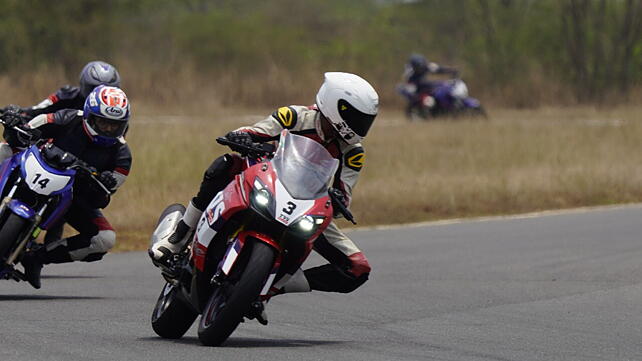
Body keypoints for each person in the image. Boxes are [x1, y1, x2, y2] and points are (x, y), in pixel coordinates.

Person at [149, 72, 378, 324]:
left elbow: (344, 196)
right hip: (267, 181)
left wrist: (338, 199)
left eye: (366, 120)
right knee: (226, 164)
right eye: (357, 118)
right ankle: (179, 235)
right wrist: (242, 137)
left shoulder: (353, 153)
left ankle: (267, 289)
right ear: (336, 106)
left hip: (308, 205)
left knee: (357, 268)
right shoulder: (294, 116)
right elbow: (254, 131)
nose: (360, 126)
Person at [1, 85, 132, 289]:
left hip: (73, 195)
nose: (107, 129)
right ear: (89, 116)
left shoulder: (122, 157)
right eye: (103, 122)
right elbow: (26, 129)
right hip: (35, 168)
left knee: (105, 238)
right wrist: (14, 121)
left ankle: (37, 258)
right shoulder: (67, 118)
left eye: (114, 125)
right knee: (3, 150)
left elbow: (102, 200)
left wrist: (101, 184)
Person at [0, 61, 122, 161]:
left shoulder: (118, 120)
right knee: (3, 151)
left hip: (81, 166)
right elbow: (36, 111)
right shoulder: (66, 95)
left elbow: (112, 156)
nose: (100, 93)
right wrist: (17, 113)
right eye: (93, 88)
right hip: (46, 148)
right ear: (84, 85)